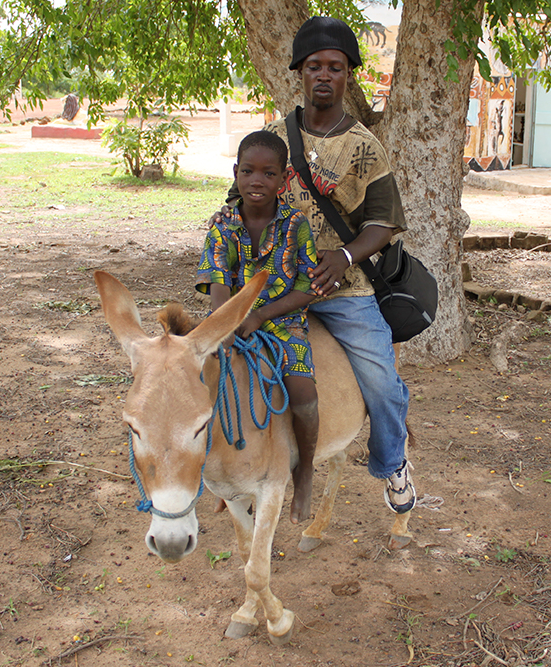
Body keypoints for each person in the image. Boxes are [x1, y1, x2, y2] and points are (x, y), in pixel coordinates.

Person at [214, 16, 416, 514]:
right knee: (212, 366)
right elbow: (240, 205)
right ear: (299, 74)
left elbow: (384, 223)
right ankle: (223, 469)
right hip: (275, 287)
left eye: (335, 67)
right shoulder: (275, 140)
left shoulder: (366, 147)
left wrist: (345, 256)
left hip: (343, 290)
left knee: (383, 384)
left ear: (349, 75)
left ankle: (393, 463)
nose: (324, 75)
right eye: (314, 67)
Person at [196, 130, 320, 524]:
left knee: (302, 389)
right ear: (235, 173)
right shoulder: (222, 225)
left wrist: (261, 316)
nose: (256, 181)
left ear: (283, 180)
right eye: (248, 171)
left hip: (282, 321)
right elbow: (218, 281)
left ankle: (305, 472)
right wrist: (225, 325)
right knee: (202, 381)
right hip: (231, 318)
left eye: (268, 174)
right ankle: (224, 472)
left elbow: (307, 288)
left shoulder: (296, 225)